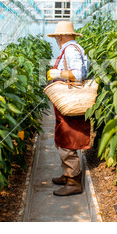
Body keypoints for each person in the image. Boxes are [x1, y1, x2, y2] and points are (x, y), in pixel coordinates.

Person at [46, 21, 91, 196]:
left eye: (57, 36)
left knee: (67, 140)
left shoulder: (71, 50)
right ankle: (67, 174)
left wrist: (57, 74)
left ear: (62, 36)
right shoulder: (73, 49)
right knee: (62, 137)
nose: (57, 39)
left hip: (70, 101)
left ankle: (74, 181)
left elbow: (78, 75)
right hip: (68, 101)